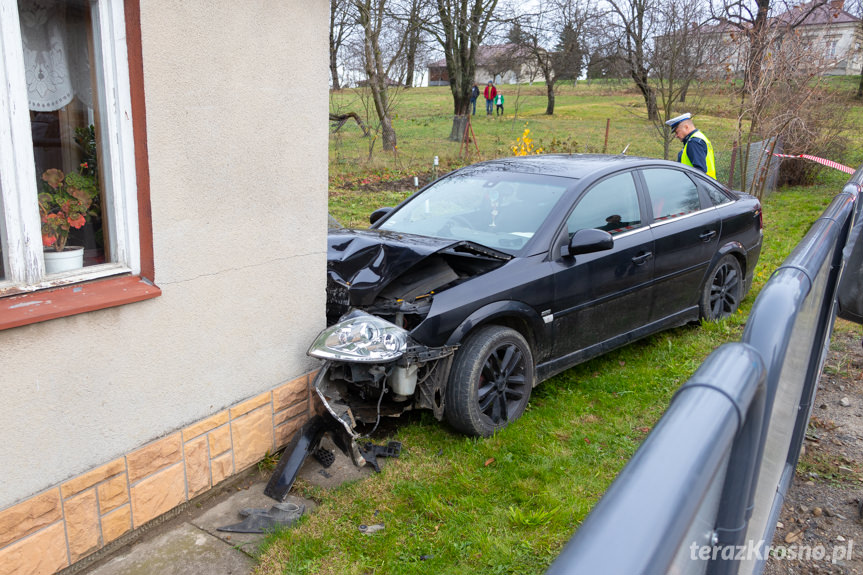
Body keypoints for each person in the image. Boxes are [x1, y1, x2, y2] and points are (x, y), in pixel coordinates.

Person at [665, 113, 716, 179]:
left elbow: (699, 172)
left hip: (699, 187)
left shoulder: (694, 142)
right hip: (707, 185)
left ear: (686, 127)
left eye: (677, 132)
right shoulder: (699, 137)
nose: (676, 136)